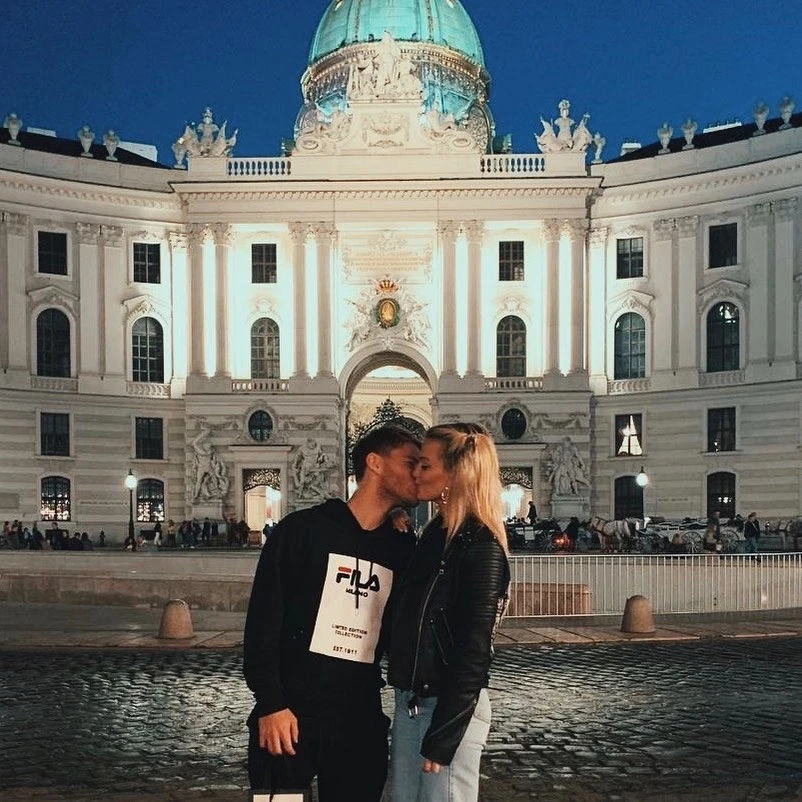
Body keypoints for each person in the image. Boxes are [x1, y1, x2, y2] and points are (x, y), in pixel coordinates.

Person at [243, 425, 422, 801]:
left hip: (359, 720)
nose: (418, 473)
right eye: (410, 463)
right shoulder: (302, 531)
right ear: (375, 463)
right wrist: (271, 703)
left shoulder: (403, 550)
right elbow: (263, 623)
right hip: (289, 715)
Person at [388, 422, 511, 802]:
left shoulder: (481, 546)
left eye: (425, 465)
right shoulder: (435, 535)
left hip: (446, 710)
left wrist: (444, 736)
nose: (416, 472)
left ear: (456, 474)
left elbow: (475, 652)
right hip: (411, 703)